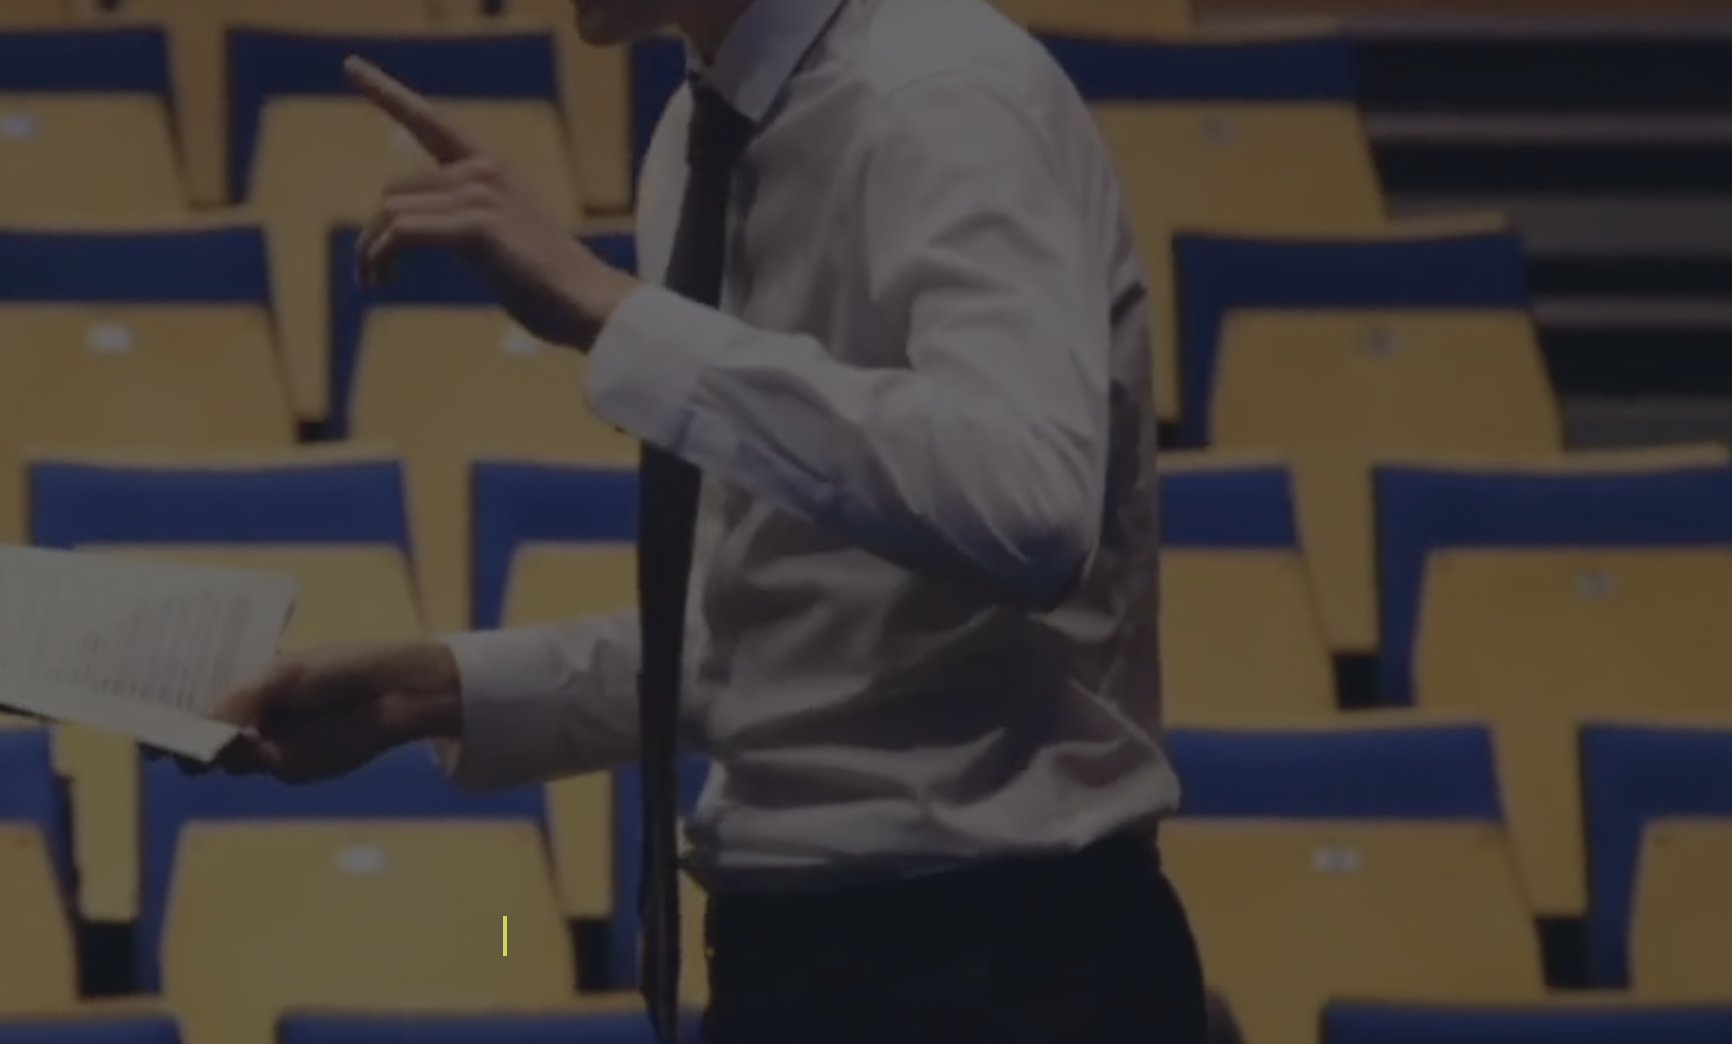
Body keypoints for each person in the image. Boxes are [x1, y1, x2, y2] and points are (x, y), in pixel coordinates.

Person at [211, 0, 1207, 1041]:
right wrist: (433, 691)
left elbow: (1028, 508)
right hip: (793, 959)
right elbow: (786, 630)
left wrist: (612, 311)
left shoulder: (944, 92)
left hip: (1011, 968)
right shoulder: (696, 135)